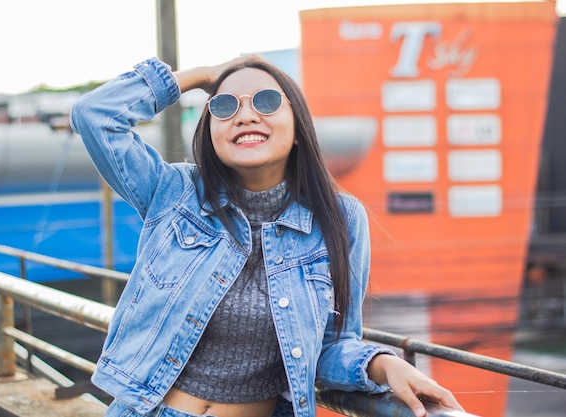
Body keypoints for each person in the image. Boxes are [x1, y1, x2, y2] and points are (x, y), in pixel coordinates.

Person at [70, 54, 463, 417]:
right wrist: (204, 76)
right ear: (210, 132)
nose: (245, 116)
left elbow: (331, 346)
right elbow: (95, 115)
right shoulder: (174, 193)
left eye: (267, 102)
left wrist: (382, 363)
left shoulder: (340, 219)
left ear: (297, 128)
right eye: (225, 106)